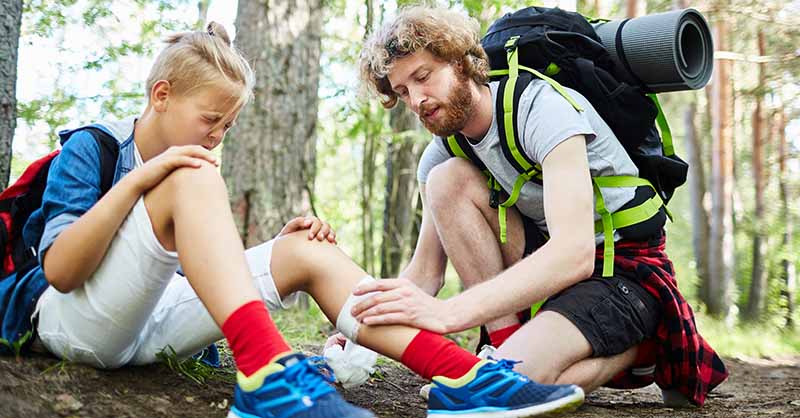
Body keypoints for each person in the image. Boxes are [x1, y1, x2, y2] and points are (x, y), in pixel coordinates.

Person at [11, 22, 584, 418]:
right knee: (189, 177)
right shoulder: (95, 149)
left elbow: (173, 278)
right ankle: (265, 378)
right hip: (71, 323)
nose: (218, 136)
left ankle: (462, 378)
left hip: (148, 326)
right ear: (161, 95)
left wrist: (271, 257)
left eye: (228, 127)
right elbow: (61, 271)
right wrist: (140, 180)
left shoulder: (187, 171)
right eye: (211, 119)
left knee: (305, 250)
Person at [355, 5, 728, 407]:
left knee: (512, 385)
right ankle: (502, 351)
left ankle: (642, 346)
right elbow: (425, 273)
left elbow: (574, 254)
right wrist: (362, 321)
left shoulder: (539, 108)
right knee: (447, 180)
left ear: (460, 62)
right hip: (546, 269)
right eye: (403, 91)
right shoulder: (443, 149)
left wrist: (451, 314)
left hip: (620, 268)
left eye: (423, 77)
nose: (416, 100)